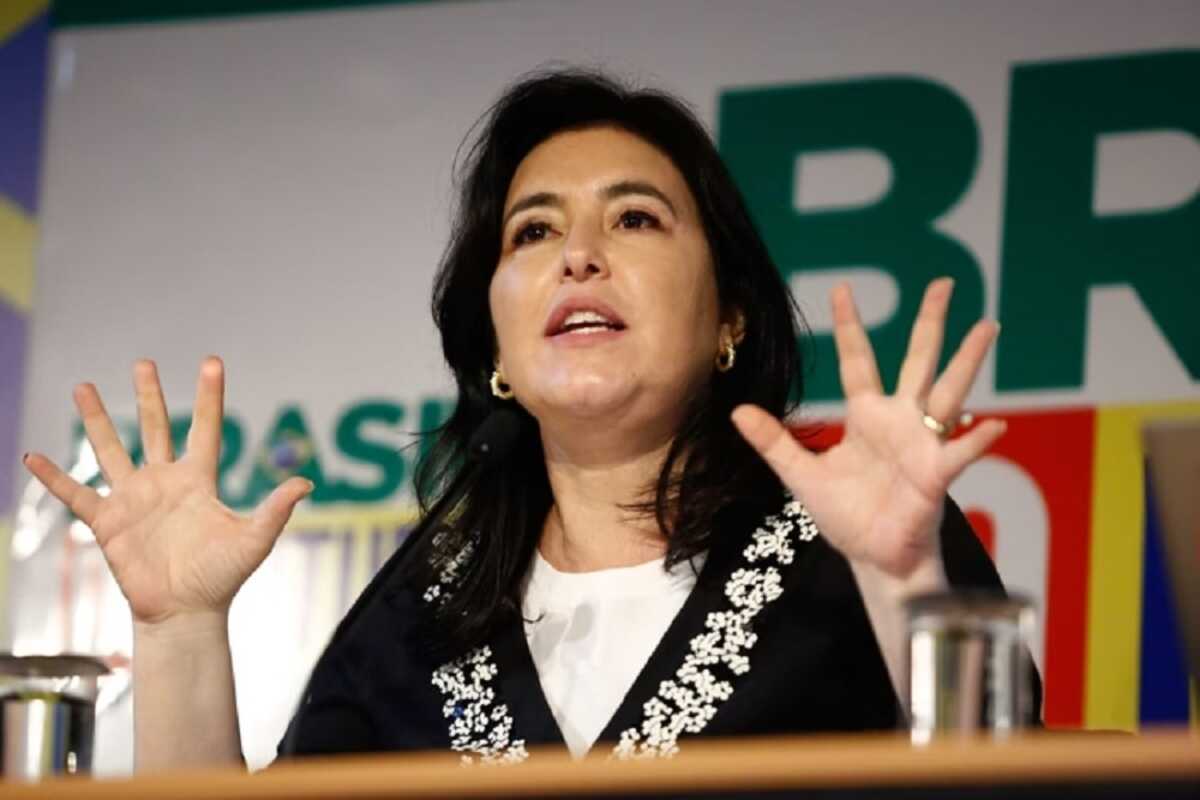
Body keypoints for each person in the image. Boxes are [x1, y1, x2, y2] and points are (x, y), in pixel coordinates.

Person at [22, 68, 1037, 770]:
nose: (578, 254)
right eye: (534, 230)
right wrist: (180, 630)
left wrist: (905, 583)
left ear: (729, 316)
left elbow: (1005, 787)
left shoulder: (869, 543)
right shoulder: (425, 606)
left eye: (635, 218)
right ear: (499, 351)